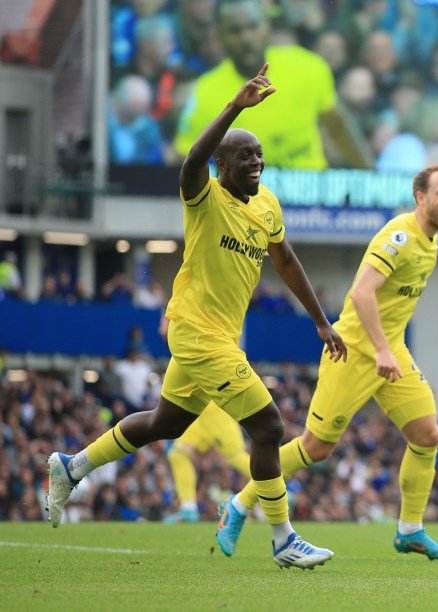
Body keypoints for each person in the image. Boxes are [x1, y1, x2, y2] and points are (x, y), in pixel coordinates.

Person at [46, 65, 347, 570]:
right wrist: (234, 106)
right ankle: (283, 539)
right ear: (223, 166)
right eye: (244, 155)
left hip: (219, 336)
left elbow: (287, 262)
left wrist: (321, 321)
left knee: (166, 424)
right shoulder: (203, 198)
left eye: (258, 154)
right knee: (270, 428)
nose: (257, 162)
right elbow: (191, 159)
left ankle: (71, 467)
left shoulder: (267, 205)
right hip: (197, 333)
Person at [217, 164, 438, 561]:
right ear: (421, 197)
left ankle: (410, 531)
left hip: (390, 350)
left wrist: (388, 349)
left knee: (427, 436)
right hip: (354, 352)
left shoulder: (430, 242)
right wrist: (381, 349)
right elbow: (362, 294)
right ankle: (239, 505)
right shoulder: (400, 235)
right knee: (315, 448)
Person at [174, 0, 373, 170]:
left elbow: (338, 126)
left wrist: (371, 174)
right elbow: (185, 158)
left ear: (267, 27)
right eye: (235, 30)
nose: (246, 38)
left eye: (253, 26)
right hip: (247, 204)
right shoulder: (205, 92)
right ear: (219, 36)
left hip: (311, 203)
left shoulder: (309, 67)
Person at [163, 401, 251, 523]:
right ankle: (188, 509)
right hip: (198, 413)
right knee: (178, 454)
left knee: (236, 457)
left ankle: (276, 487)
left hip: (216, 410)